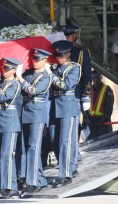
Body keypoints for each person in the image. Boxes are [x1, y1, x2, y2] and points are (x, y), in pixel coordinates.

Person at [16, 48, 52, 196]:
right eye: (34, 59)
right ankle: (39, 180)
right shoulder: (28, 73)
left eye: (38, 59)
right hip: (26, 111)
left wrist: (19, 77)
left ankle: (33, 182)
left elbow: (32, 90)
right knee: (25, 149)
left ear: (45, 61)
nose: (35, 62)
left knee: (34, 148)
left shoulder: (46, 77)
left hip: (37, 113)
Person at [48, 40, 81, 188]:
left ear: (68, 54)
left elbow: (66, 84)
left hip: (68, 106)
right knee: (54, 139)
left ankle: (66, 173)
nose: (59, 58)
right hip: (55, 106)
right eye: (57, 55)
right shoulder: (54, 68)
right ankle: (67, 167)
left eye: (62, 55)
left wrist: (51, 76)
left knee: (65, 141)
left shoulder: (74, 68)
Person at [0, 57, 21, 199]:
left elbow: (4, 98)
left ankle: (9, 187)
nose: (4, 70)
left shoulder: (15, 84)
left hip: (9, 121)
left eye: (7, 69)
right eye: (3, 68)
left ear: (14, 70)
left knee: (7, 155)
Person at [60, 24, 92, 170]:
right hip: (59, 93)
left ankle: (74, 153)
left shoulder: (81, 51)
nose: (67, 38)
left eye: (69, 35)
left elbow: (87, 74)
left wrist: (86, 96)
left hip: (76, 92)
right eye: (64, 35)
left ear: (75, 35)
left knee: (74, 125)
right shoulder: (57, 51)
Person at [83, 70, 114, 140]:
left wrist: (102, 121)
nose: (96, 80)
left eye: (97, 77)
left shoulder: (107, 89)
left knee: (106, 144)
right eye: (93, 78)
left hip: (103, 123)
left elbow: (109, 108)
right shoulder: (88, 89)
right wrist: (87, 119)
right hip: (90, 122)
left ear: (101, 77)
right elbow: (83, 105)